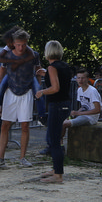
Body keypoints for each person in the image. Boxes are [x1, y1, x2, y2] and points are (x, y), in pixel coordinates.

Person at [0, 30, 37, 168]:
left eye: (23, 44)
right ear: (14, 43)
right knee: (5, 124)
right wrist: (0, 85)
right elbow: (2, 69)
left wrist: (37, 90)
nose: (21, 48)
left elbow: (37, 71)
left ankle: (22, 158)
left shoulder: (33, 55)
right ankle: (0, 158)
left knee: (25, 125)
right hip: (10, 91)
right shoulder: (8, 54)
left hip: (26, 92)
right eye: (18, 44)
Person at [34, 41, 74, 183]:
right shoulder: (64, 66)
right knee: (54, 139)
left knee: (54, 140)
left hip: (57, 105)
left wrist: (42, 92)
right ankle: (56, 168)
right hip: (65, 104)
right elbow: (61, 81)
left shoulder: (52, 67)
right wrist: (46, 73)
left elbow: (55, 88)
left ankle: (58, 175)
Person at [63, 68, 102, 143]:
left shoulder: (92, 91)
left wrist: (79, 113)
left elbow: (98, 109)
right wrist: (75, 113)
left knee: (64, 124)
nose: (80, 80)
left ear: (87, 79)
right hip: (83, 115)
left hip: (90, 118)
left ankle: (60, 143)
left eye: (83, 78)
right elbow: (84, 106)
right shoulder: (79, 90)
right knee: (62, 120)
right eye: (78, 78)